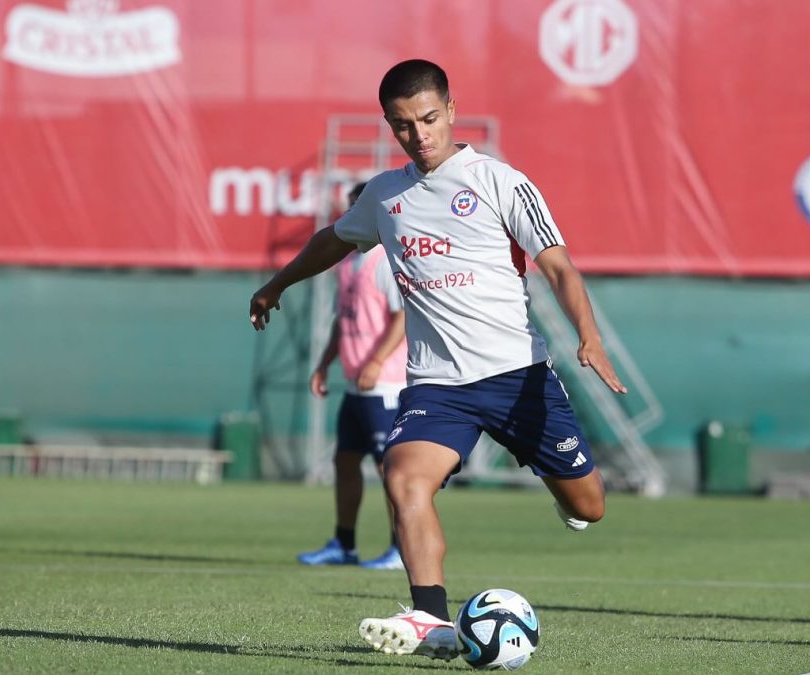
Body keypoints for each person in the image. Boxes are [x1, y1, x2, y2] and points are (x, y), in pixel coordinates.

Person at [250, 59, 625, 660]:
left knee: (591, 505)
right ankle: (430, 618)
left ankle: (564, 494)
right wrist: (277, 284)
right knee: (401, 477)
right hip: (437, 387)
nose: (419, 134)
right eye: (403, 125)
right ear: (389, 126)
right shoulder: (384, 195)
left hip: (515, 375)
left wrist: (589, 334)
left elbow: (558, 265)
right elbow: (332, 239)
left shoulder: (501, 182)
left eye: (428, 118)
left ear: (451, 111)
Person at [296, 182, 407, 571]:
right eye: (347, 208)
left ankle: (401, 547)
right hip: (356, 385)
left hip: (386, 385)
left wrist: (376, 362)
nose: (349, 215)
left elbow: (402, 318)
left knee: (391, 469)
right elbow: (342, 321)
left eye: (355, 208)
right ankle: (344, 544)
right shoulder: (348, 262)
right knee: (345, 461)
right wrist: (325, 363)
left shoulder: (385, 260)